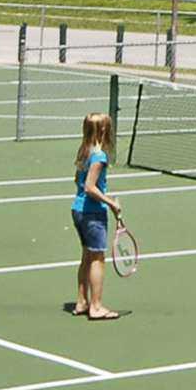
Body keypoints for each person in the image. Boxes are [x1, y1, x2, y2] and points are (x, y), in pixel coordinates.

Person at [68, 112, 124, 321]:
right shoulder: (99, 156)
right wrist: (111, 203)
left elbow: (78, 181)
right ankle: (96, 306)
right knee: (97, 258)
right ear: (102, 130)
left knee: (86, 256)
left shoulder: (84, 152)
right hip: (92, 213)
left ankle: (82, 302)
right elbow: (90, 187)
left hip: (78, 210)